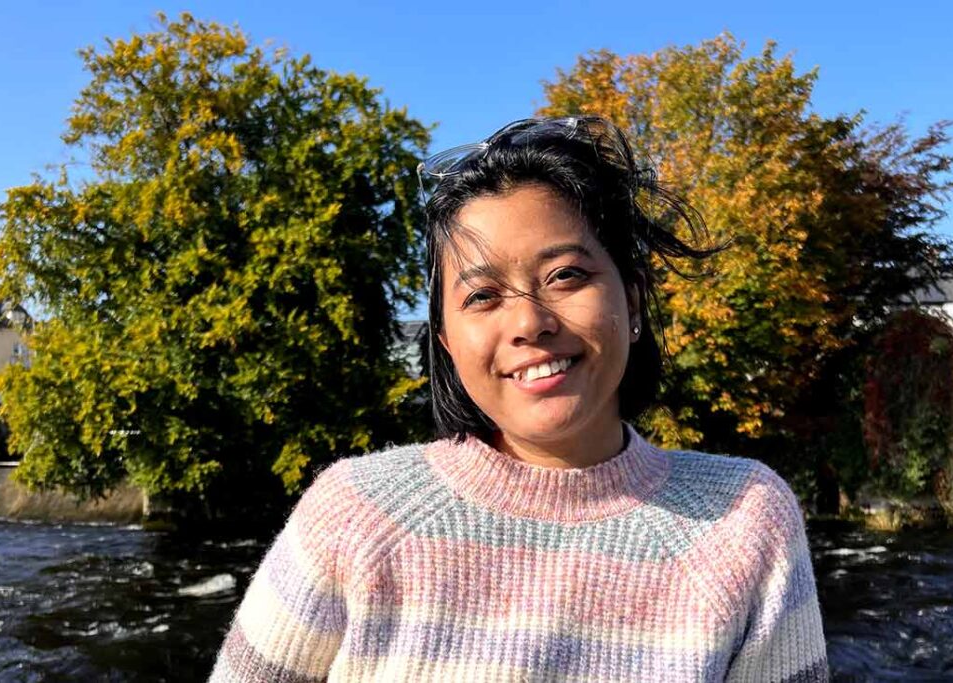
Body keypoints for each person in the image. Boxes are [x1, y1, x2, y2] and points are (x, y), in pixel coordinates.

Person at [208, 116, 829, 682]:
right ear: (447, 340)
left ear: (633, 301)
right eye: (482, 296)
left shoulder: (748, 520)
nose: (529, 323)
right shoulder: (356, 516)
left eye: (566, 276)